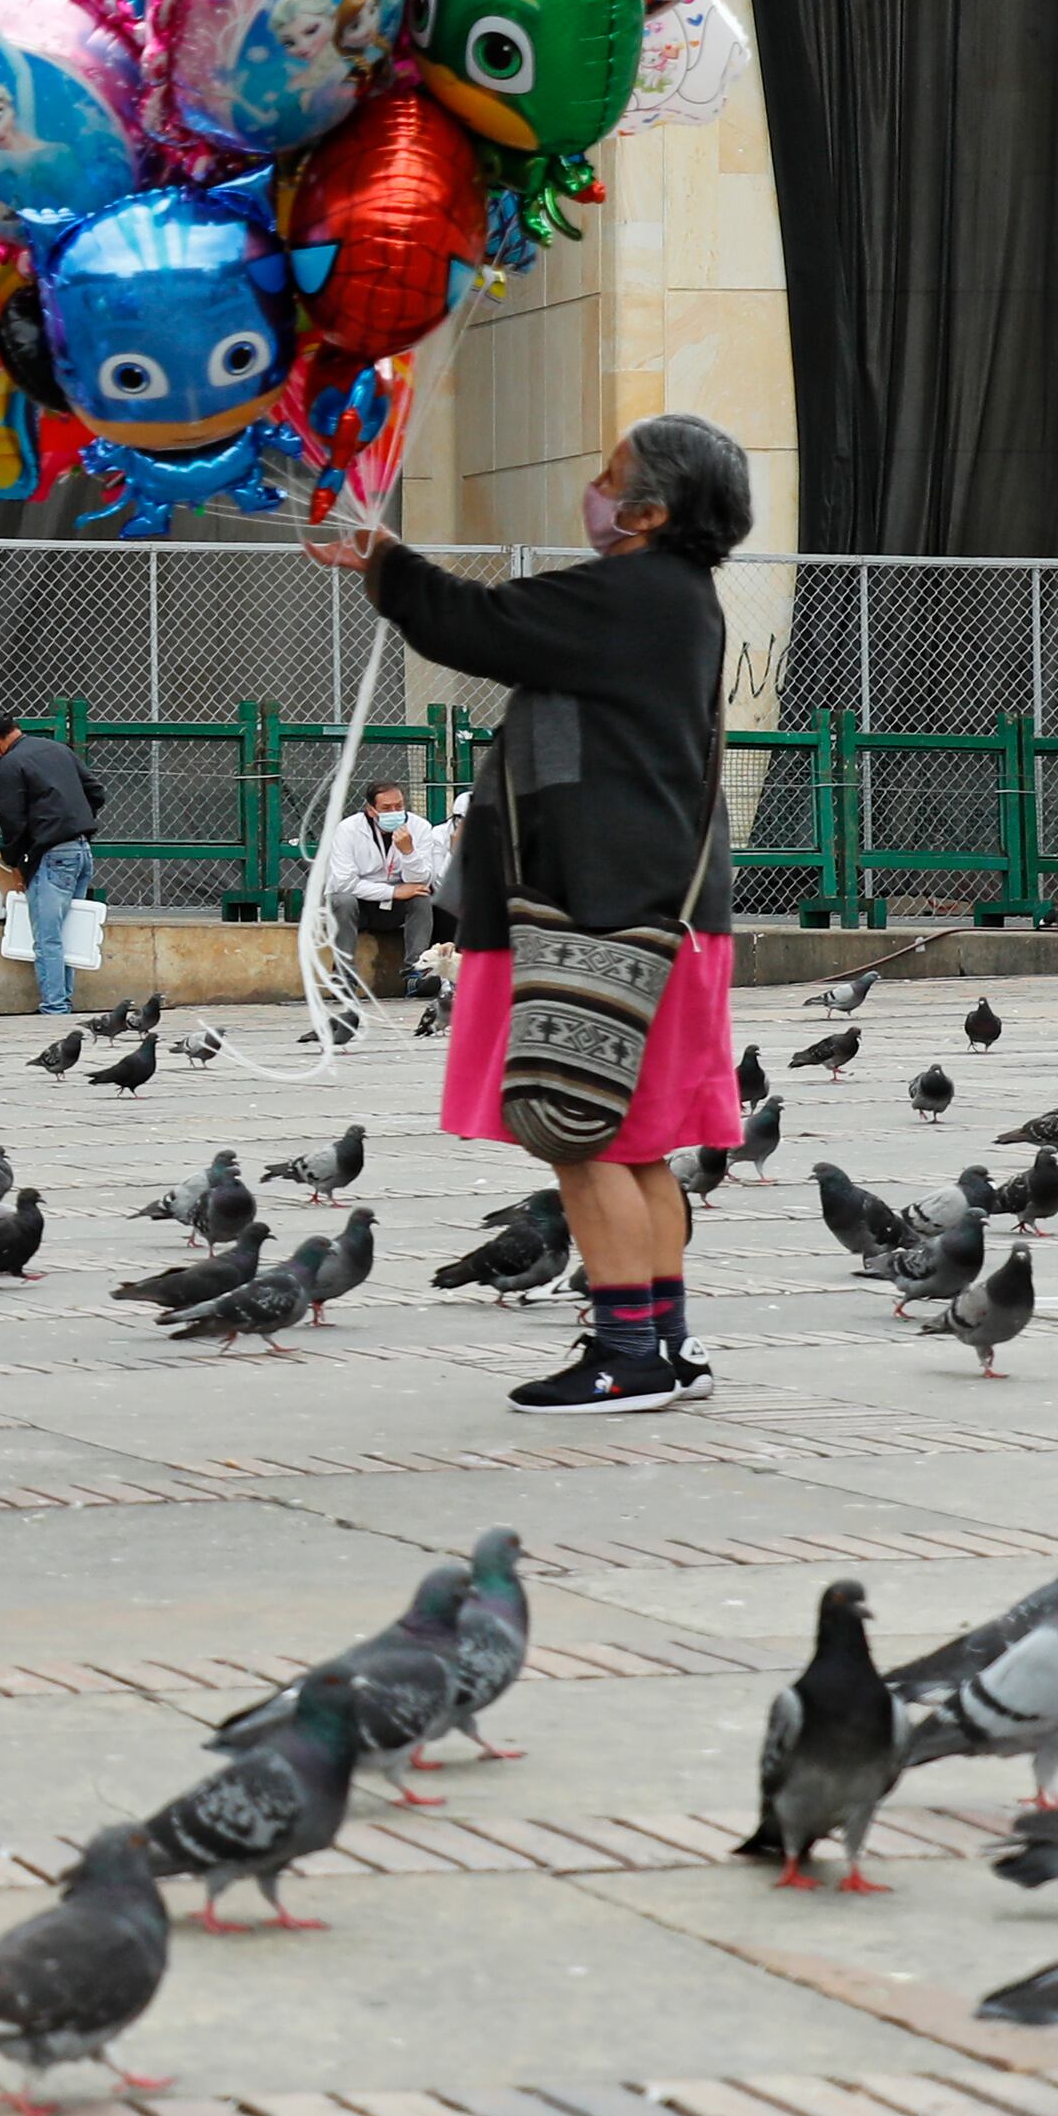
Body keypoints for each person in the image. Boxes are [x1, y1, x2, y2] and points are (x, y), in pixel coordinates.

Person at [309, 413, 754, 1411]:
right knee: (630, 1140)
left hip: (600, 909)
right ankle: (661, 1345)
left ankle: (625, 1354)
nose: (591, 491)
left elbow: (478, 623)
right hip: (650, 910)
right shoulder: (675, 598)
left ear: (648, 508)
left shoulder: (632, 592)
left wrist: (381, 561)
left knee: (576, 1134)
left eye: (608, 478)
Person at [0, 714, 104, 1017]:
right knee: (69, 931)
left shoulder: (9, 765)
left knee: (48, 937)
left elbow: (13, 821)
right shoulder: (58, 749)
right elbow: (97, 792)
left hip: (51, 855)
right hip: (82, 851)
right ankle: (63, 999)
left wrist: (16, 860)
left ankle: (55, 1007)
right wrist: (73, 818)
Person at [314, 774, 448, 1000]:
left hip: (395, 907)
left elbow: (423, 878)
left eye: (399, 806)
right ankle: (344, 975)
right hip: (359, 906)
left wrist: (408, 852)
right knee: (342, 899)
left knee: (421, 898)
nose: (394, 812)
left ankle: (416, 974)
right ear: (371, 810)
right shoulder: (348, 829)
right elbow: (344, 882)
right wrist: (393, 891)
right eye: (386, 808)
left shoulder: (419, 827)